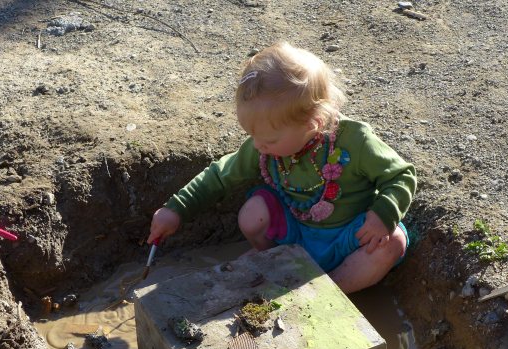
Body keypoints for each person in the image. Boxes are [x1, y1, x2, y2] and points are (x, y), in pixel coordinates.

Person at [147, 41, 416, 294]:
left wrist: (382, 216)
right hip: (294, 232)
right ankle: (274, 258)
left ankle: (329, 291)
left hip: (350, 235)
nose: (258, 145)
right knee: (252, 214)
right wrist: (176, 209)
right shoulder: (264, 145)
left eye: (269, 140)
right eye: (253, 136)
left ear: (313, 124)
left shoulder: (355, 141)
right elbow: (220, 175)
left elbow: (401, 175)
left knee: (392, 242)